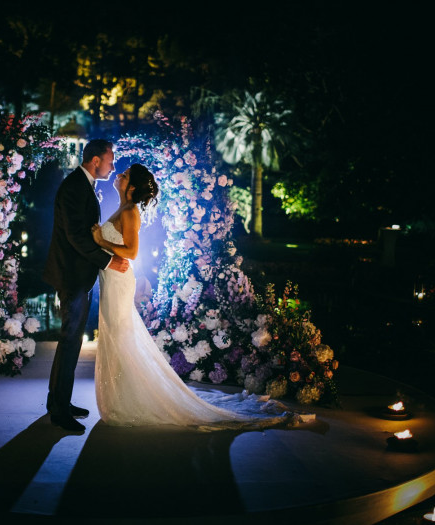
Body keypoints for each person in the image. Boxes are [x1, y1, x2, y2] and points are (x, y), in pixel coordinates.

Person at [91, 164, 309, 429]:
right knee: (116, 333)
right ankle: (122, 395)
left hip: (119, 280)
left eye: (124, 175)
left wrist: (101, 241)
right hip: (111, 280)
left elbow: (132, 252)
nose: (119, 175)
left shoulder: (129, 212)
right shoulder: (122, 208)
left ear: (132, 187)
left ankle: (128, 398)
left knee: (119, 334)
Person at [43, 139, 130, 433]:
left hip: (79, 274)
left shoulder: (82, 185)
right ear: (95, 160)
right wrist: (108, 261)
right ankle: (59, 411)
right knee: (70, 340)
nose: (113, 167)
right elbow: (76, 236)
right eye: (110, 161)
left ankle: (59, 401)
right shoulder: (74, 187)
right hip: (71, 275)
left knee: (72, 341)